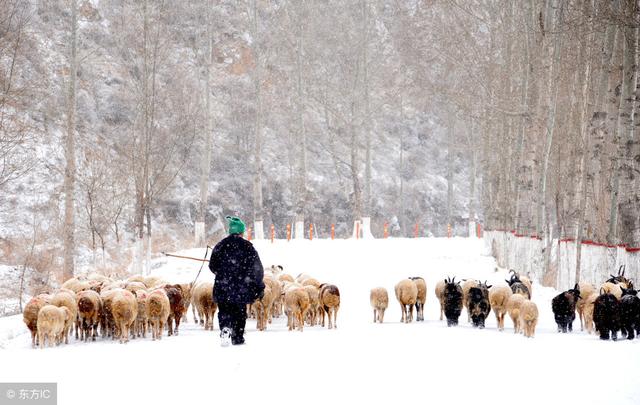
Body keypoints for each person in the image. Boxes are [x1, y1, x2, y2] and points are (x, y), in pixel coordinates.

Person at [209, 216, 265, 346]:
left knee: (224, 310)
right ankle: (238, 337)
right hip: (241, 287)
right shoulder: (248, 247)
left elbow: (212, 265)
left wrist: (223, 274)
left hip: (222, 286)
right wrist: (259, 286)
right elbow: (257, 269)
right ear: (241, 232)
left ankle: (225, 329)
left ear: (230, 231)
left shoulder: (220, 245)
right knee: (239, 311)